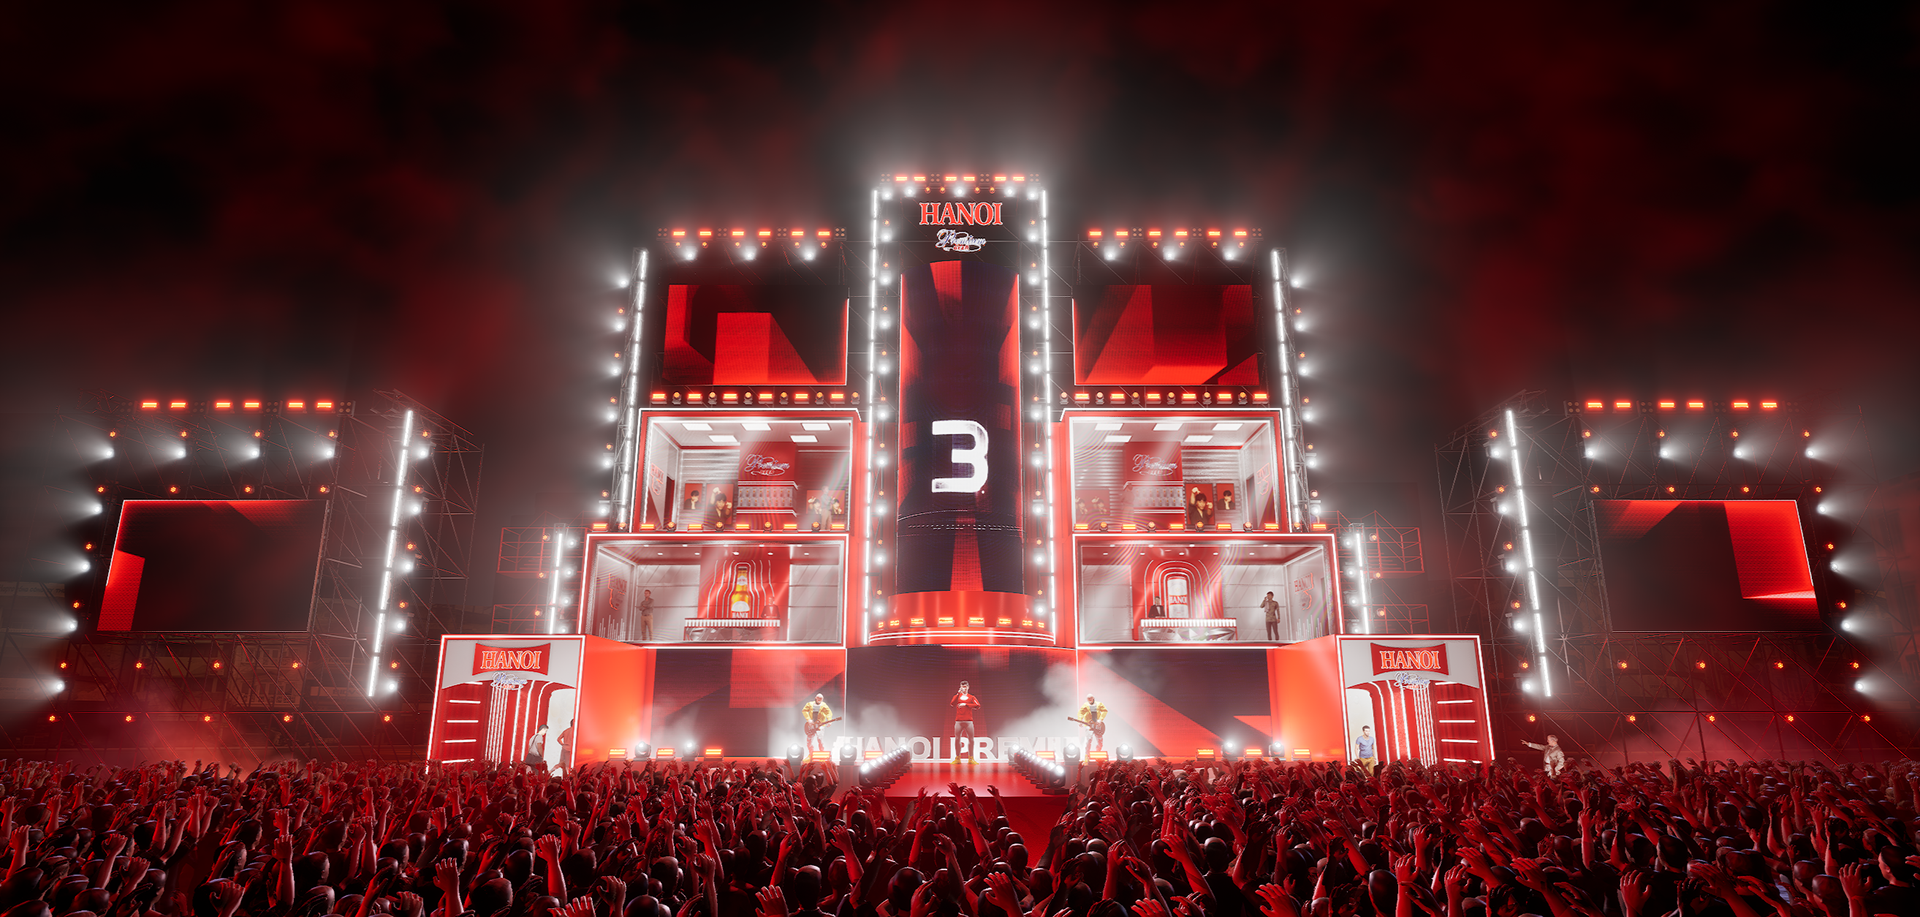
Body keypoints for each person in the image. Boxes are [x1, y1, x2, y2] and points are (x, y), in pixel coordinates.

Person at [949, 680, 981, 763]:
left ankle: (971, 758)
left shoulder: (971, 697)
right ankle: (957, 758)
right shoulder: (957, 696)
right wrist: (958, 693)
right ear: (960, 687)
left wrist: (966, 705)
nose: (964, 688)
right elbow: (952, 703)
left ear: (968, 687)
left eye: (965, 686)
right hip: (958, 721)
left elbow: (978, 705)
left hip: (968, 721)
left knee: (971, 739)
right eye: (962, 686)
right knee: (957, 739)